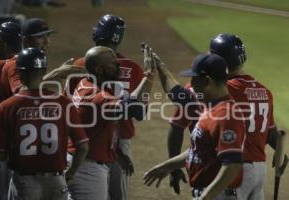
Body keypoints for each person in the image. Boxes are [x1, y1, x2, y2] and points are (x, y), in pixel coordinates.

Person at [167, 34, 287, 199]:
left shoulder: (215, 89)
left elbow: (177, 125)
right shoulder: (264, 92)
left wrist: (172, 167)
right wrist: (281, 154)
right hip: (259, 172)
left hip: (233, 170)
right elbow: (270, 133)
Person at [44, 14, 144, 200]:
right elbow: (139, 108)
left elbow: (70, 105)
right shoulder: (133, 68)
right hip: (117, 139)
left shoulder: (82, 64)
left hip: (84, 138)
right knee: (116, 194)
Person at [144, 53, 246, 199]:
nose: (191, 84)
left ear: (207, 81)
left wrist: (206, 197)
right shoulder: (210, 108)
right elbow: (199, 150)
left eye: (194, 79)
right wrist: (167, 166)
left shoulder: (225, 115)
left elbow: (233, 165)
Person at [0, 48, 89, 200]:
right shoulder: (64, 103)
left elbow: (1, 153)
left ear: (20, 72)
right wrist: (69, 175)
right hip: (56, 181)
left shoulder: (7, 106)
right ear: (44, 71)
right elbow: (83, 147)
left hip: (24, 183)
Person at [68, 45, 156, 200]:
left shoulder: (84, 83)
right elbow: (136, 109)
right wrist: (148, 76)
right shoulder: (96, 96)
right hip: (88, 168)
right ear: (99, 70)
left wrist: (117, 152)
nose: (118, 66)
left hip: (82, 161)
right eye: (113, 64)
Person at [0, 20, 22, 200]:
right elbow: (26, 95)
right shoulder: (13, 65)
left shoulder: (1, 66)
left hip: (1, 136)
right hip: (6, 138)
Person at [0, 17, 54, 102]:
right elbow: (22, 91)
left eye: (48, 35)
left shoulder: (34, 63)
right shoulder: (15, 64)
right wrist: (54, 75)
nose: (46, 41)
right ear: (25, 41)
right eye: (40, 37)